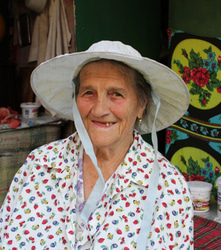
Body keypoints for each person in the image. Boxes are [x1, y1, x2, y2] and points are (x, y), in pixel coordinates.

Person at [0, 41, 193, 249]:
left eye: (116, 94)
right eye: (88, 93)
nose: (100, 110)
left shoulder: (169, 188)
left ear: (141, 105)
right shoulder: (39, 166)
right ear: (76, 100)